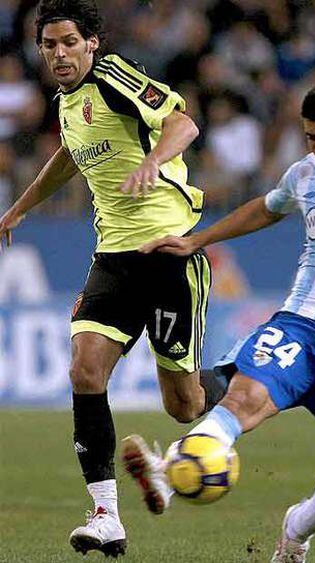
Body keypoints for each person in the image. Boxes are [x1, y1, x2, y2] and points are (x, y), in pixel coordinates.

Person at [121, 84, 315, 562]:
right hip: (304, 321)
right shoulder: (304, 176)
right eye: (309, 139)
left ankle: (296, 529)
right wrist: (197, 240)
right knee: (245, 398)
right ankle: (170, 469)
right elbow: (266, 207)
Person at [0, 0, 227, 557]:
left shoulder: (112, 76)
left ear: (92, 44)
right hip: (113, 260)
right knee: (85, 369)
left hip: (169, 252)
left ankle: (256, 378)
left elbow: (184, 122)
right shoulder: (68, 102)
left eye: (69, 43)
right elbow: (70, 158)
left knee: (185, 405)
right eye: (49, 45)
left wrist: (154, 162)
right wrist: (20, 208)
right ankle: (106, 516)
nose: (58, 54)